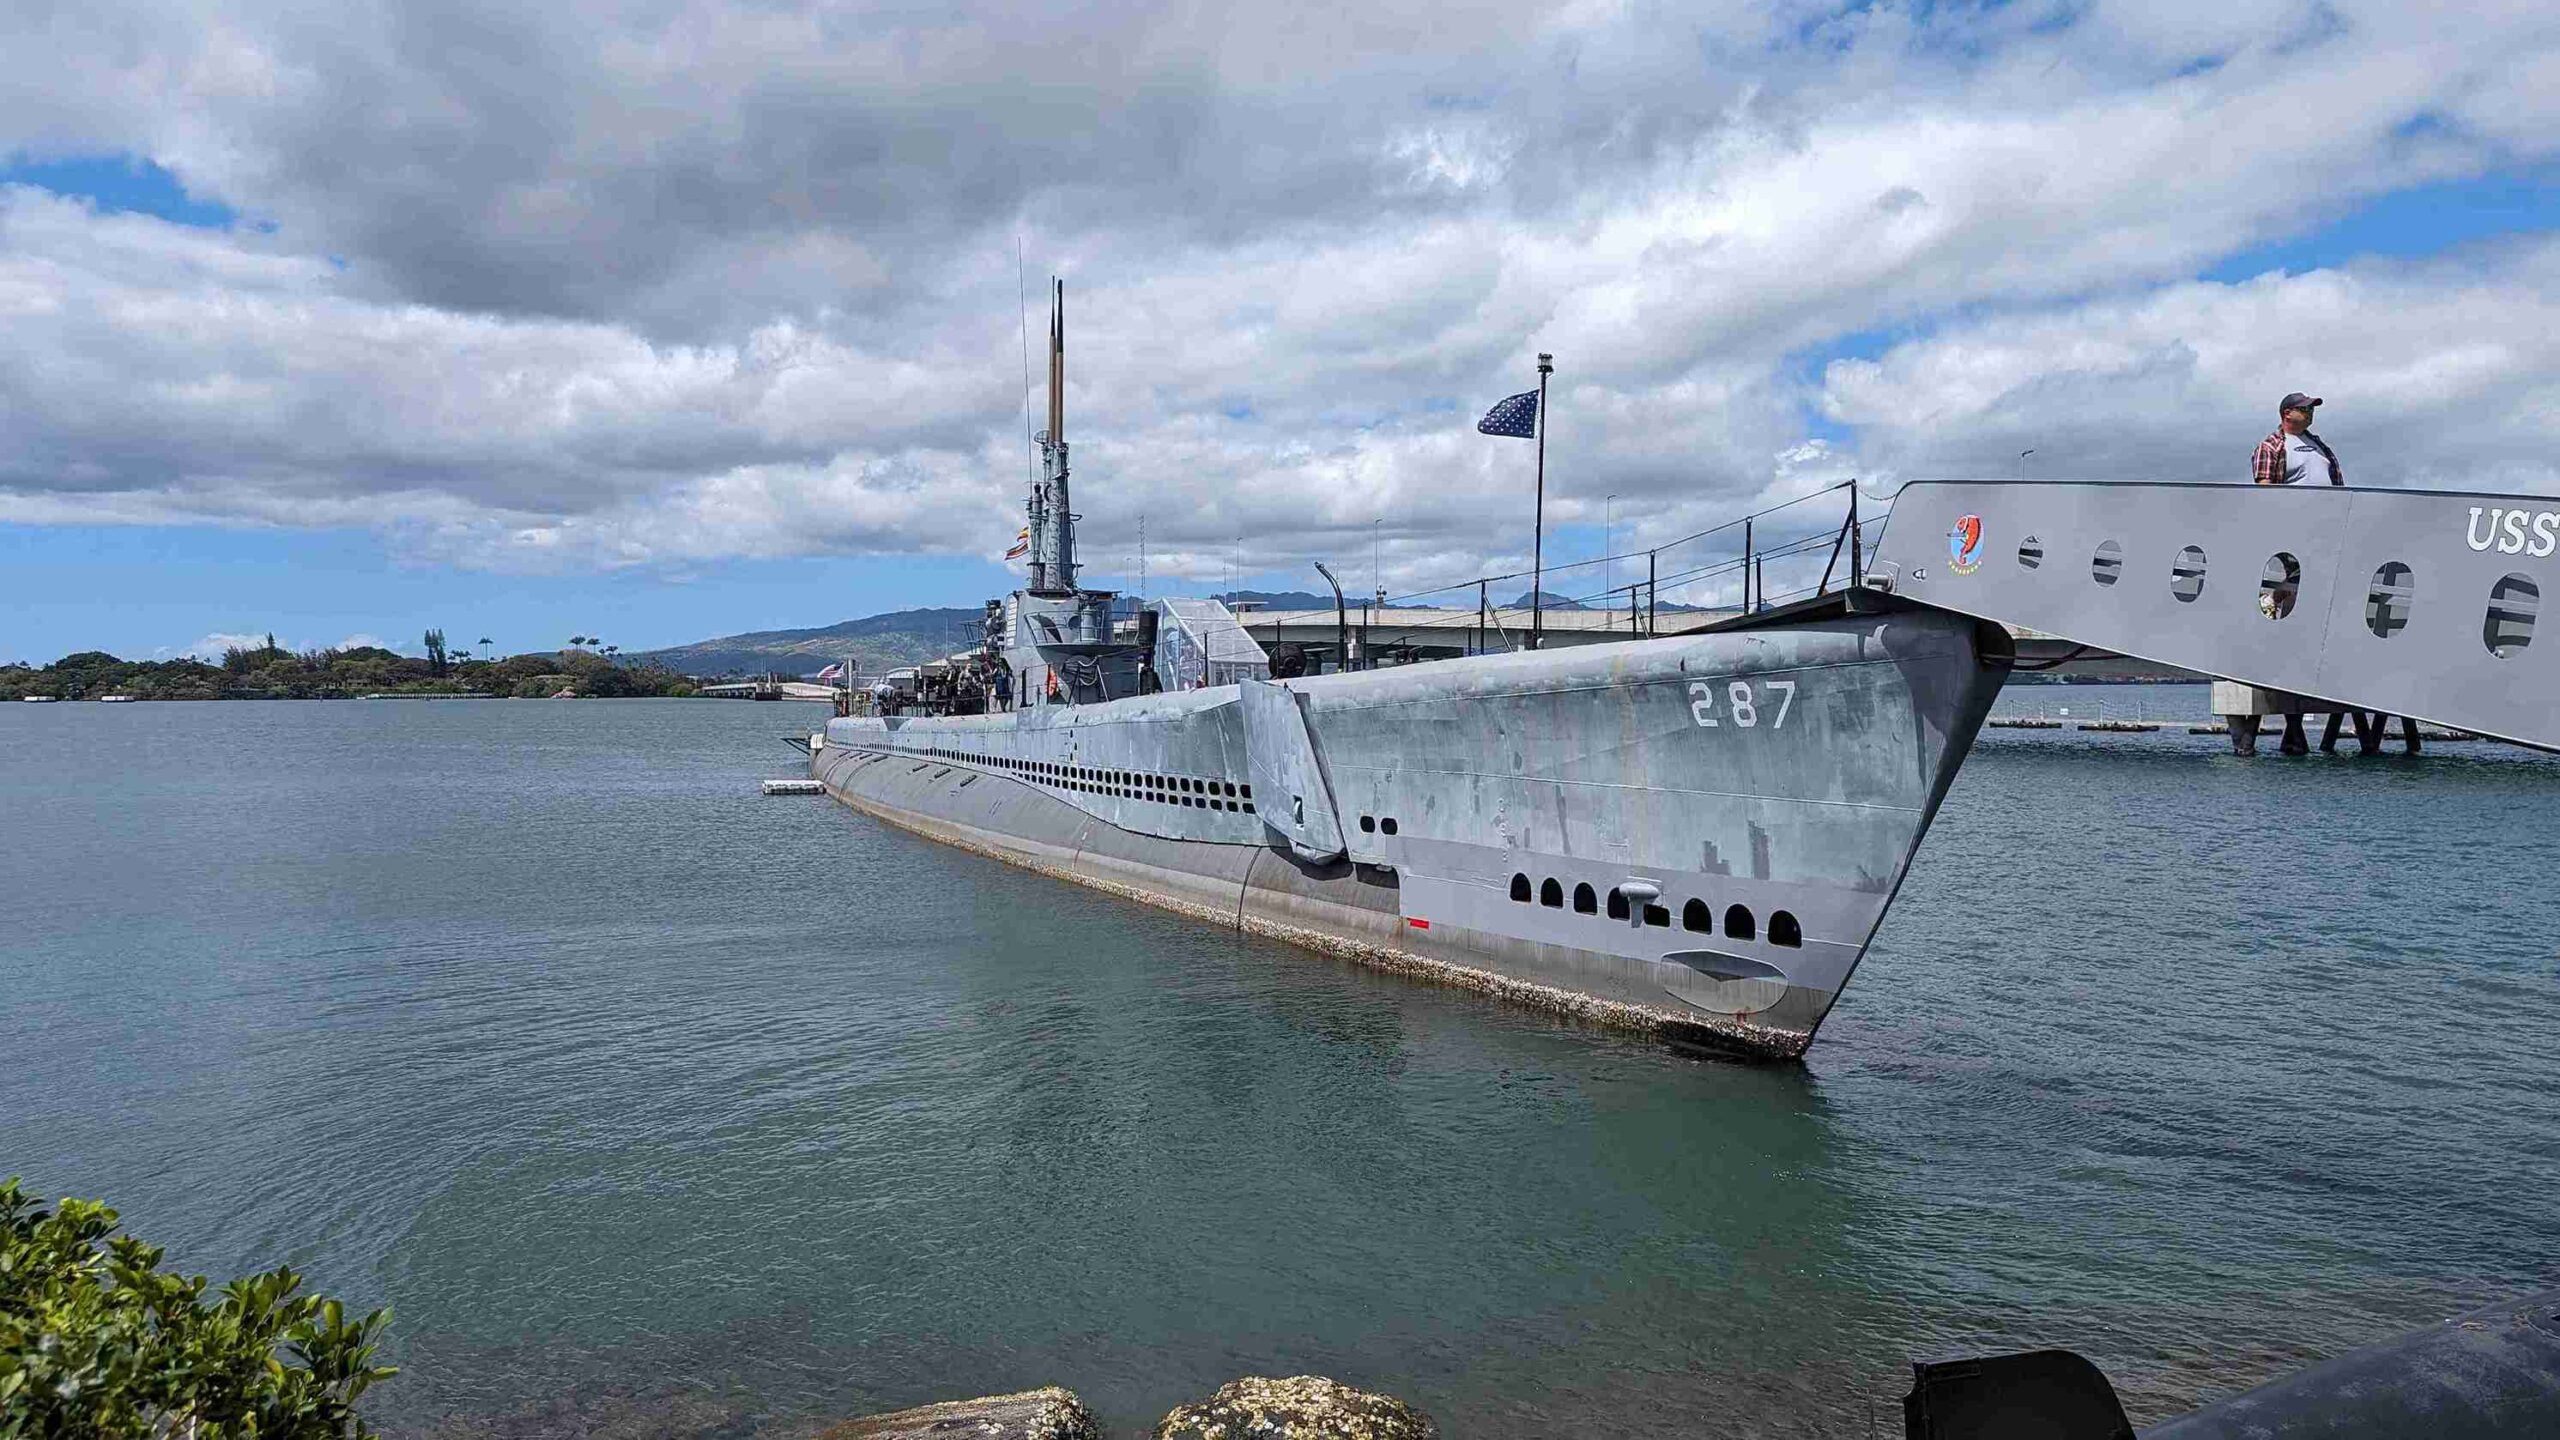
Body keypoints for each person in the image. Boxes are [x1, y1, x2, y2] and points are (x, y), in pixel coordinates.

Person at [2252, 393, 2343, 486]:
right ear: (2287, 414)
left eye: (2311, 409)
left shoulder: (2321, 446)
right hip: (2291, 500)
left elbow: (2339, 486)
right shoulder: (2270, 447)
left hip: (2330, 500)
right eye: (2304, 409)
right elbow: (2264, 491)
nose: (2310, 412)